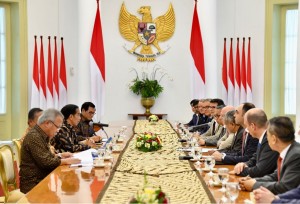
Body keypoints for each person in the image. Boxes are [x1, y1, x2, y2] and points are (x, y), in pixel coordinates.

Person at [20, 109, 80, 194]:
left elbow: (46, 156)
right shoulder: (34, 137)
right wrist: (66, 161)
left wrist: (60, 156)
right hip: (34, 186)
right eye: (57, 126)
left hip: (42, 181)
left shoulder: (41, 135)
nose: (58, 130)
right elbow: (46, 162)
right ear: (47, 123)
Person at [239, 116, 300, 194]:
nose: (266, 139)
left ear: (274, 139)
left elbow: (285, 187)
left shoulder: (295, 155)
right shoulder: (288, 150)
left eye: (267, 135)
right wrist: (253, 180)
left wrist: (254, 185)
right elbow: (275, 176)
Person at [231, 108, 278, 177]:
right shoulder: (263, 137)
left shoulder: (269, 140)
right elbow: (255, 158)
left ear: (253, 126)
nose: (246, 130)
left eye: (246, 126)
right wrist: (245, 164)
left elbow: (260, 170)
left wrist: (239, 171)